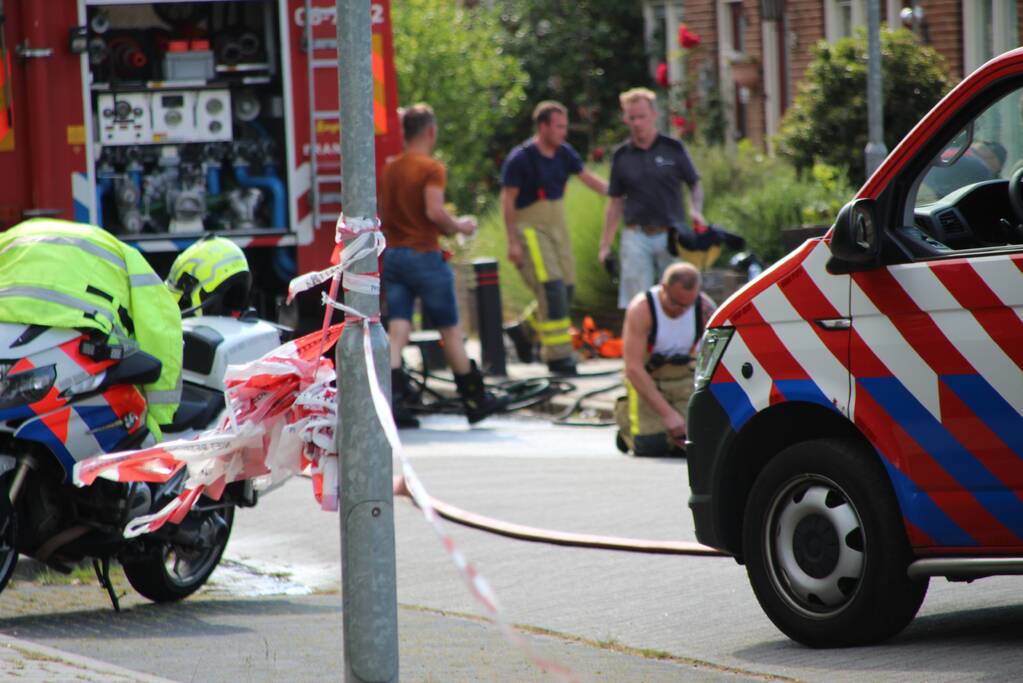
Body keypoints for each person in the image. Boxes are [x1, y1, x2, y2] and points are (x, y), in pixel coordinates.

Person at [0, 218, 182, 439]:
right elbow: (161, 330)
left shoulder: (13, 237)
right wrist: (160, 421)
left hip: (15, 327)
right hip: (74, 333)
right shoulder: (127, 258)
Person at [380, 103, 503, 428]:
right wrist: (460, 225)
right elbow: (434, 212)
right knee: (450, 329)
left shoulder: (390, 167)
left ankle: (392, 402)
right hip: (424, 256)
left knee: (398, 329)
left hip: (393, 257)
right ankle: (475, 400)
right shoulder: (430, 168)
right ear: (431, 132)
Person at [500, 101, 607, 375]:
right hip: (530, 230)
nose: (564, 131)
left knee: (566, 288)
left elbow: (587, 178)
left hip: (557, 229)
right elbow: (508, 201)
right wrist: (513, 241)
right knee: (551, 288)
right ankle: (558, 357)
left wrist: (618, 192)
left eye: (565, 125)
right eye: (558, 126)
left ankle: (523, 332)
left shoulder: (564, 153)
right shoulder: (521, 159)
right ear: (543, 126)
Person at [599, 88, 706, 310]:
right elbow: (615, 201)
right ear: (625, 119)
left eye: (642, 116)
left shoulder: (673, 148)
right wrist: (605, 246)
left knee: (679, 297)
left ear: (654, 115)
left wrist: (695, 210)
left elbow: (694, 183)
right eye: (632, 117)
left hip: (671, 234)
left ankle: (677, 343)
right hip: (636, 234)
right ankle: (643, 343)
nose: (637, 122)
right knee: (638, 302)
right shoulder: (621, 156)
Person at [614, 262, 715, 457]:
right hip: (647, 380)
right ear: (664, 288)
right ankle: (626, 430)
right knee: (651, 446)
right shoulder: (642, 308)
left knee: (693, 444)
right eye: (675, 303)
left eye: (687, 305)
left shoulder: (704, 308)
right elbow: (633, 368)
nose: (681, 311)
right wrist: (668, 415)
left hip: (683, 379)